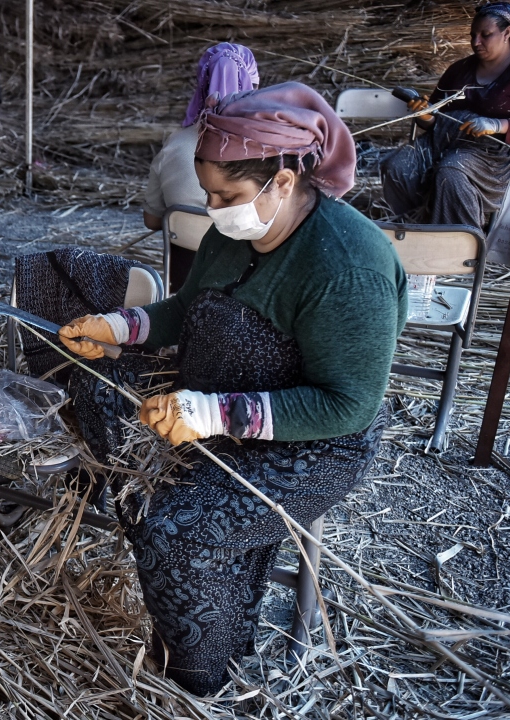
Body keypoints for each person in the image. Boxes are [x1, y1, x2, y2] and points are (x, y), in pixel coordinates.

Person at [28, 83, 406, 695]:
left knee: (175, 534)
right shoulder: (232, 232)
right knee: (97, 388)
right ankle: (142, 516)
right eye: (207, 193)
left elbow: (348, 404)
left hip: (312, 442)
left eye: (226, 195)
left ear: (283, 181)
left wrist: (215, 413)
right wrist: (121, 327)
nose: (213, 208)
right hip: (210, 395)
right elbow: (187, 310)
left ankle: (201, 675)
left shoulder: (347, 266)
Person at [381, 2, 510, 230]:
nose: (476, 42)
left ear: (507, 33)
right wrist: (424, 115)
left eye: (485, 35)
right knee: (396, 166)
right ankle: (418, 227)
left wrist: (496, 125)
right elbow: (434, 120)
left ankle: (461, 243)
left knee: (451, 172)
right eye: (473, 35)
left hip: (494, 155)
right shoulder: (459, 69)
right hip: (443, 143)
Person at [142, 43, 259, 290]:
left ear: (203, 86)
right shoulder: (265, 151)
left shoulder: (175, 144)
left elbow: (152, 220)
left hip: (183, 286)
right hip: (245, 288)